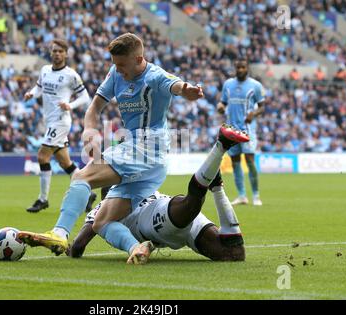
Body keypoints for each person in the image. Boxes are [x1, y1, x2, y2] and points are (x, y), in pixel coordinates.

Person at [17, 33, 204, 264]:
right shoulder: (116, 72)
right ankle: (137, 247)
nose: (118, 70)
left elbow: (175, 85)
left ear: (139, 59)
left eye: (122, 64)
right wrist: (89, 131)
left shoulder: (155, 75)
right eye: (115, 64)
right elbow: (94, 107)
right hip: (146, 162)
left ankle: (59, 233)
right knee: (101, 222)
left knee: (81, 176)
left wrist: (186, 90)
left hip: (147, 147)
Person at [67, 124, 248, 263]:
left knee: (190, 205)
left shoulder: (100, 210)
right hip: (166, 211)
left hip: (153, 220)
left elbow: (78, 246)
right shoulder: (139, 185)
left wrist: (68, 248)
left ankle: (220, 146)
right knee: (234, 253)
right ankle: (216, 187)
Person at [24, 39, 95, 213]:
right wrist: (31, 94)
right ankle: (88, 192)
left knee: (42, 157)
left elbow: (85, 97)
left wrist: (70, 105)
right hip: (49, 120)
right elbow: (39, 87)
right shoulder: (45, 70)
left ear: (66, 54)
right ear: (51, 53)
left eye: (60, 51)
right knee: (65, 163)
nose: (57, 54)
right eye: (54, 51)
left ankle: (43, 199)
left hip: (61, 121)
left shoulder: (71, 75)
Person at [217, 57, 265, 206]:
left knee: (250, 161)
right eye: (238, 67)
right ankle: (242, 195)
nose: (240, 70)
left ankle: (256, 195)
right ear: (235, 68)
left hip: (247, 129)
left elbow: (262, 106)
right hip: (231, 130)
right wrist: (220, 107)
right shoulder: (228, 84)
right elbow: (223, 102)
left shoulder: (255, 86)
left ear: (247, 68)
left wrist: (254, 113)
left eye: (243, 67)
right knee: (235, 162)